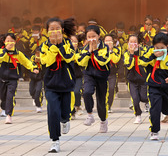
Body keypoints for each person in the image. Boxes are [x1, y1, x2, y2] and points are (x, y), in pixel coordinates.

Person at [40, 17, 76, 153]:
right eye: (51, 29)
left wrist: (60, 45)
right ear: (47, 31)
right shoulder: (44, 45)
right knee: (53, 111)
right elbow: (47, 61)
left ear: (62, 29)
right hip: (51, 84)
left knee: (65, 112)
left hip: (66, 83)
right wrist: (54, 47)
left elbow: (68, 57)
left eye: (57, 29)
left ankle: (65, 120)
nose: (54, 31)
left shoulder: (68, 43)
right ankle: (55, 141)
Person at [138, 33, 168, 140]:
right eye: (157, 47)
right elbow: (141, 62)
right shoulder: (150, 52)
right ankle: (154, 131)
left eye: (162, 48)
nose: (159, 50)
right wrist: (153, 56)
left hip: (167, 87)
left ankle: (167, 112)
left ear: (167, 46)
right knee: (155, 109)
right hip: (153, 85)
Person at [78, 25, 111, 133]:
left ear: (99, 36)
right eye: (89, 37)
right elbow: (81, 62)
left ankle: (103, 121)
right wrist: (89, 52)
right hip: (89, 75)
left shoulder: (105, 47)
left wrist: (95, 51)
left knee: (101, 102)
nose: (91, 39)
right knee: (87, 92)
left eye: (94, 36)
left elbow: (103, 61)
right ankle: (90, 115)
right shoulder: (84, 48)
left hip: (102, 76)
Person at [0, 33, 39, 124]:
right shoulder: (1, 52)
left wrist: (33, 68)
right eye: (8, 41)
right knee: (3, 97)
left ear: (15, 42)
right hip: (1, 78)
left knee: (10, 96)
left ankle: (9, 115)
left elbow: (27, 61)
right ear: (4, 41)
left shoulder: (18, 53)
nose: (9, 43)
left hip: (13, 79)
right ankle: (6, 107)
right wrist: (5, 50)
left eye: (12, 41)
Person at [124, 34, 148, 124]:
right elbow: (129, 66)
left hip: (143, 79)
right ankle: (138, 115)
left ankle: (147, 103)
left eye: (135, 42)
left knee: (144, 97)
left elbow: (145, 63)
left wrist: (137, 54)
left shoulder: (143, 52)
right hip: (132, 80)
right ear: (128, 43)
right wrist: (131, 54)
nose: (133, 44)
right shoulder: (126, 54)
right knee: (135, 99)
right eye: (131, 42)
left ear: (138, 43)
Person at [104, 33, 121, 113]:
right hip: (103, 73)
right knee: (103, 90)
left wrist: (110, 51)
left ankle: (109, 106)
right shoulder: (101, 50)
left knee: (111, 89)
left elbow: (115, 60)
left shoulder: (117, 50)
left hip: (112, 73)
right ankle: (104, 105)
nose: (108, 42)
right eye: (106, 41)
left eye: (110, 41)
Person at [30, 48, 45, 113]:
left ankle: (39, 105)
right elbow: (30, 63)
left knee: (38, 90)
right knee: (31, 90)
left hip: (40, 77)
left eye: (39, 53)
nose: (38, 55)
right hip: (33, 77)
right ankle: (34, 98)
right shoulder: (33, 57)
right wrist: (35, 61)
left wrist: (40, 61)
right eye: (37, 53)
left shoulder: (43, 57)